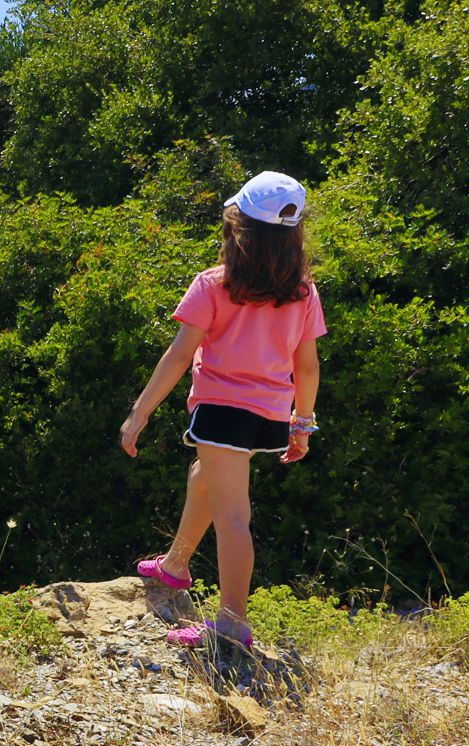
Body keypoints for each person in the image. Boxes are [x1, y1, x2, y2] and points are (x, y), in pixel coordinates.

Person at [119, 171, 324, 650]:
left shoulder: (214, 284)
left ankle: (232, 622)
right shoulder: (303, 291)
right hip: (269, 414)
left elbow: (176, 355)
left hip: (221, 412)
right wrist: (301, 424)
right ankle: (175, 565)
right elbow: (308, 367)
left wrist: (139, 413)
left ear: (238, 226)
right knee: (203, 477)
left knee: (234, 515)